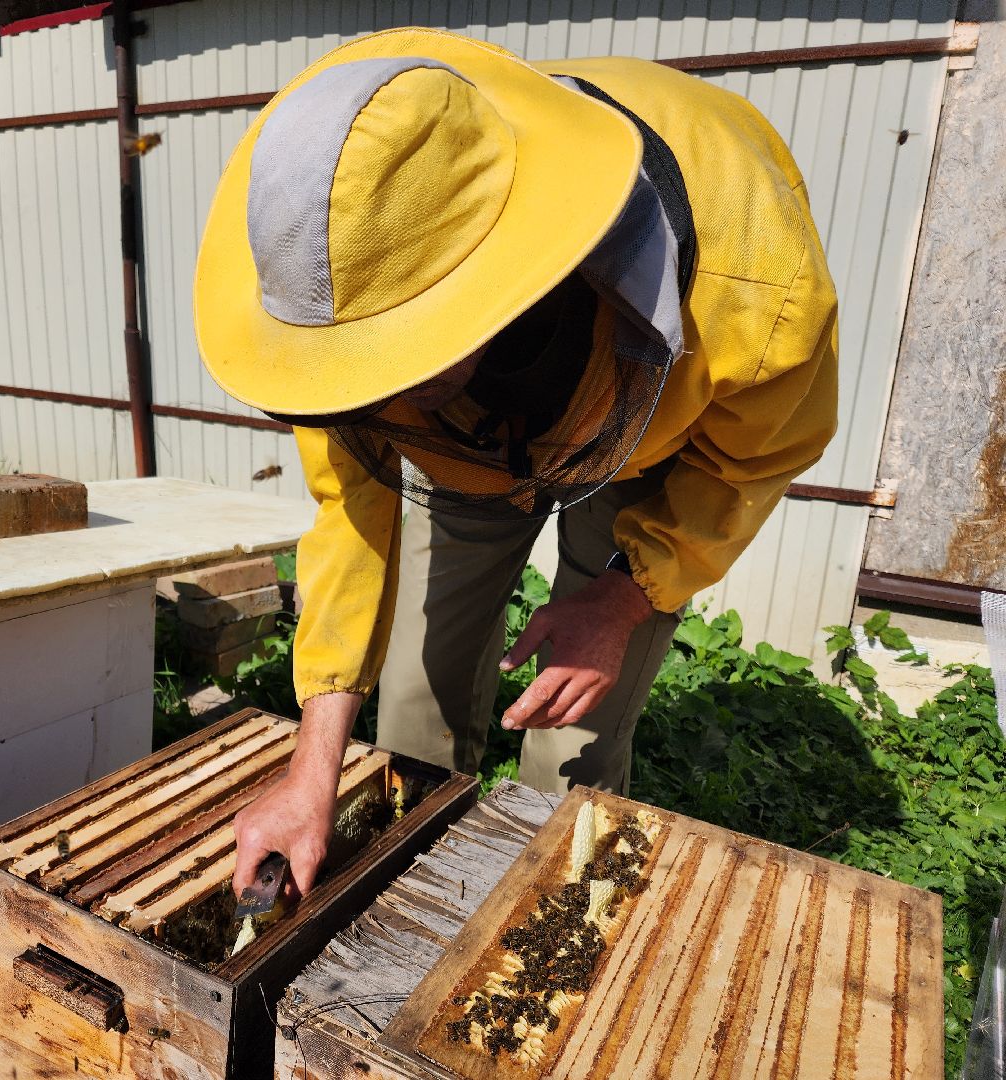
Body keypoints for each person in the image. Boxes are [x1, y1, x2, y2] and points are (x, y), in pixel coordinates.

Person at [192, 27, 838, 899]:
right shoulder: (341, 277)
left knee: (573, 745)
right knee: (412, 711)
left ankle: (550, 908)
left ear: (497, 280)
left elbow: (752, 460)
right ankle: (415, 902)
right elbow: (351, 516)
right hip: (467, 448)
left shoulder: (756, 290)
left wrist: (621, 599)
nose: (380, 397)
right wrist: (314, 768)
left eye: (397, 360)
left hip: (662, 429)